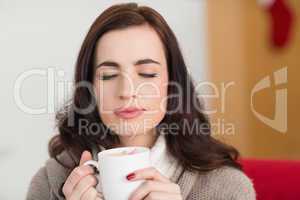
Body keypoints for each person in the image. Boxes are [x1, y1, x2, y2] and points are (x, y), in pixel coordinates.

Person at [26, 3, 256, 200]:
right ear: (90, 87)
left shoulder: (228, 188)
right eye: (108, 75)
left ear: (172, 83)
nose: (127, 91)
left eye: (146, 73)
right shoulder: (50, 182)